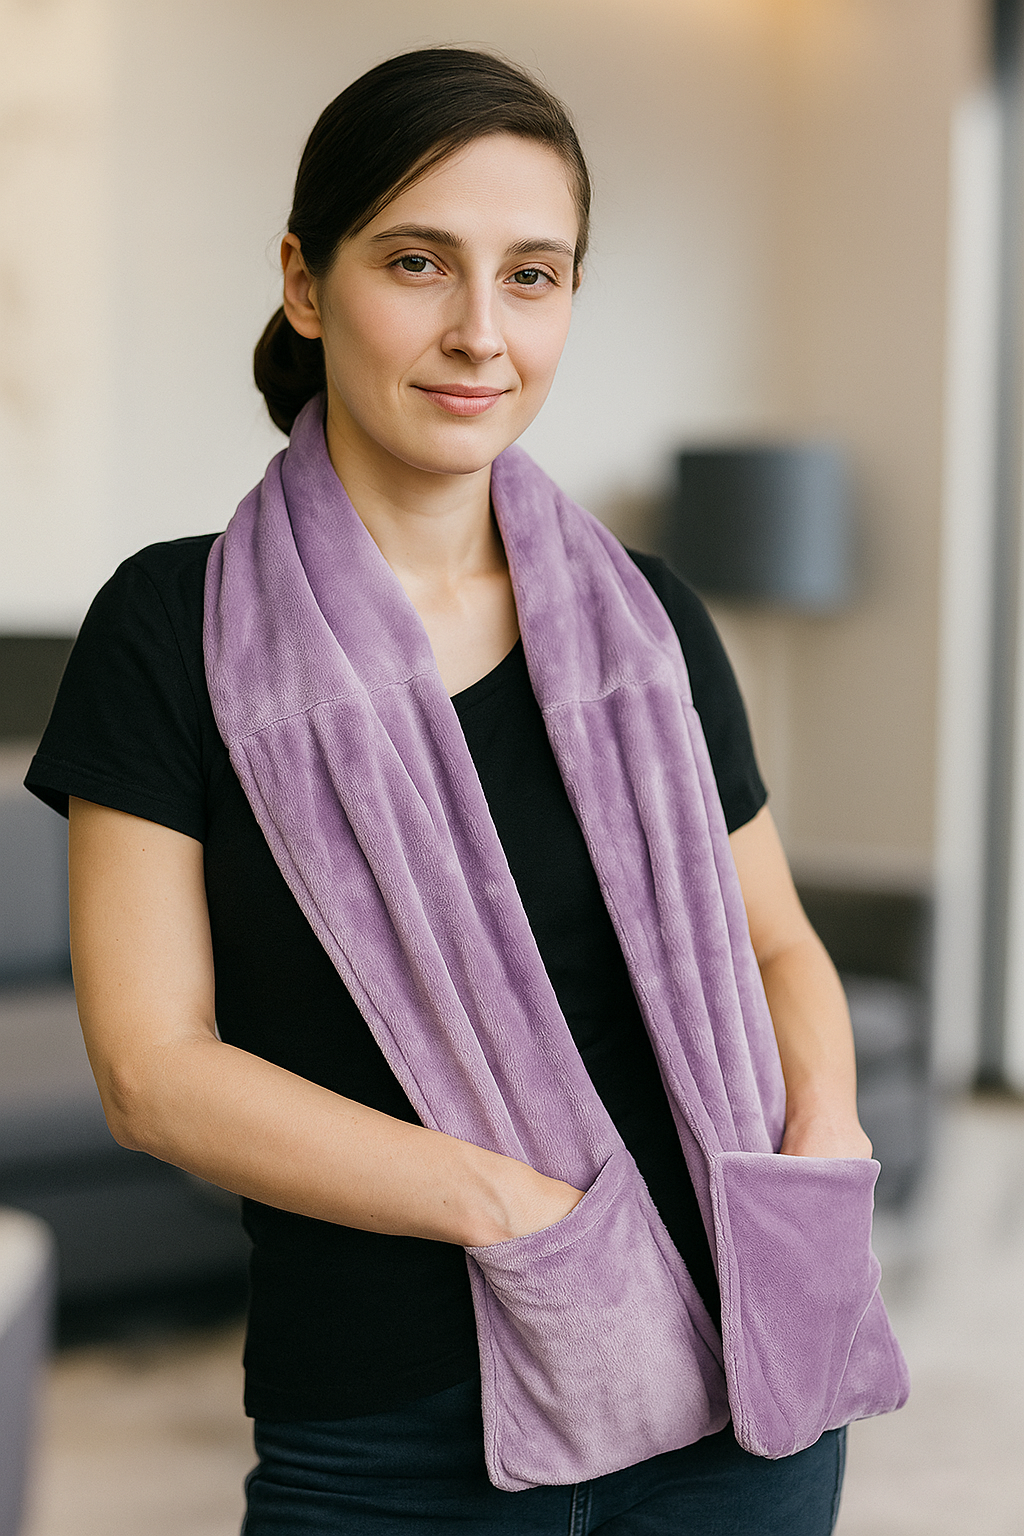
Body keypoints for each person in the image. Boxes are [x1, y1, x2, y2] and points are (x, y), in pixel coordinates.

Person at [26, 47, 906, 1536]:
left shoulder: (652, 621)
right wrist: (517, 1214)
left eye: (532, 276)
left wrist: (821, 1137)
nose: (479, 333)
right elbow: (152, 1071)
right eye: (418, 262)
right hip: (392, 1436)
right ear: (306, 284)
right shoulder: (170, 630)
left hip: (747, 1384)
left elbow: (776, 945)